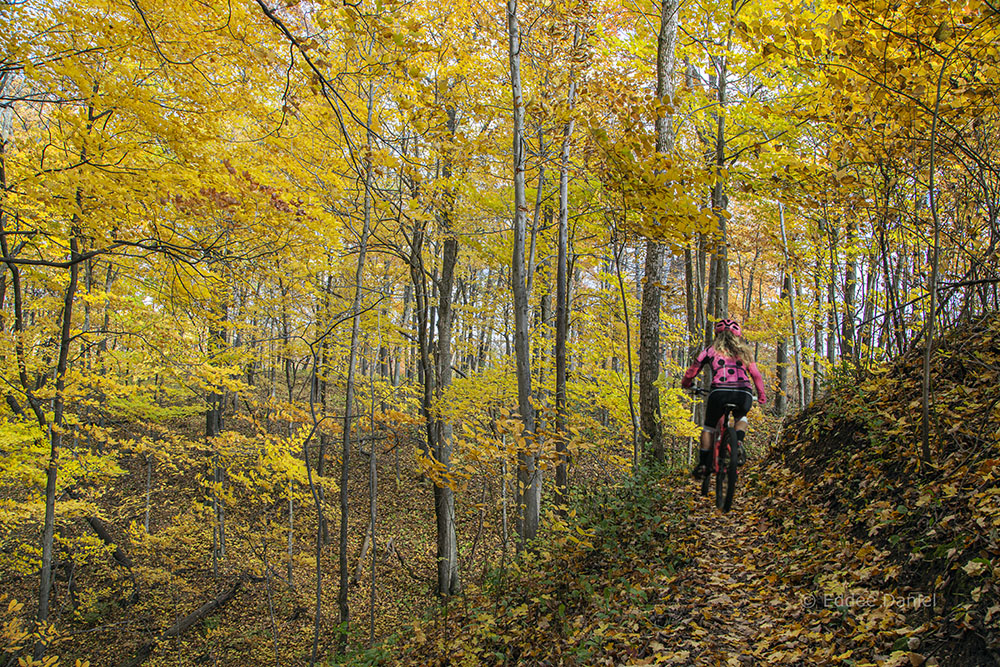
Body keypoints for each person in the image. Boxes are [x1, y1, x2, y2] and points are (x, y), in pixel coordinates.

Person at [681, 318, 767, 479]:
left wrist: (686, 383)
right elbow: (756, 375)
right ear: (738, 335)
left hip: (719, 392)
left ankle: (703, 464)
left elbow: (692, 371)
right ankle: (739, 442)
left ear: (717, 334)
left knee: (708, 428)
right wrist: (761, 395)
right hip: (744, 392)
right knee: (741, 416)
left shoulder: (709, 350)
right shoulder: (745, 352)